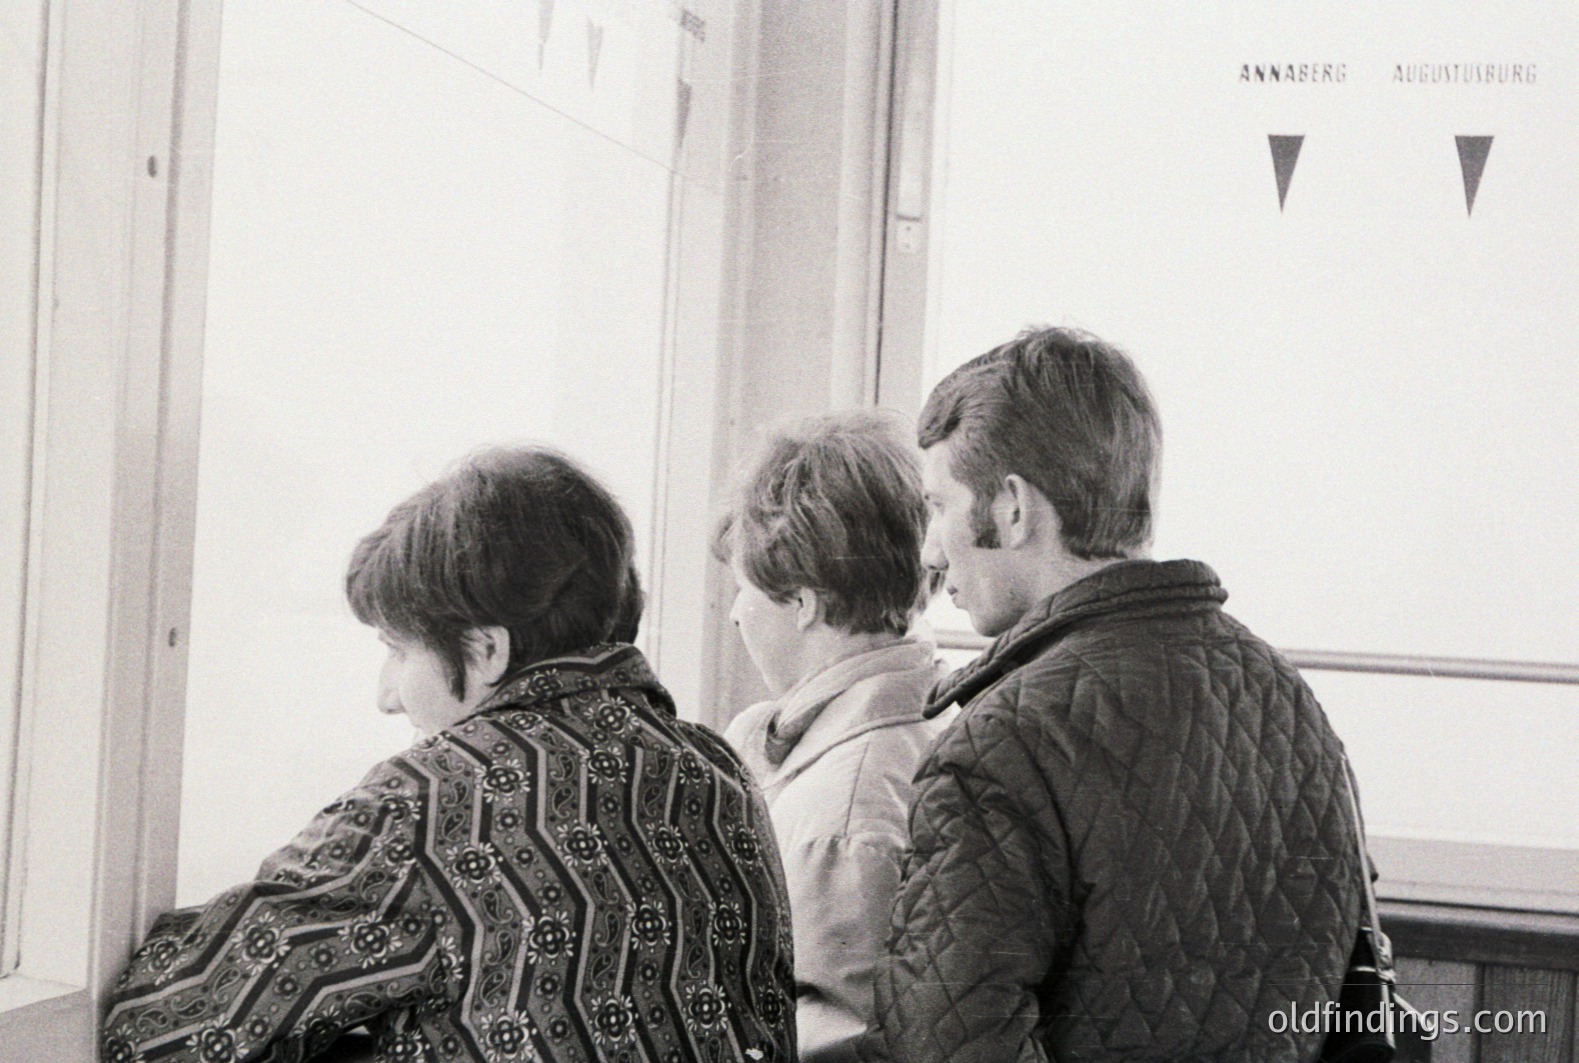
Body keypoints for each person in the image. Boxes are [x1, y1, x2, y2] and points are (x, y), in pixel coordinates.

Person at [104, 446, 796, 1063]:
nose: (386, 696)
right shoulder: (718, 767)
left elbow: (162, 1032)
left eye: (398, 651)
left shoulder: (429, 799)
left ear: (485, 649)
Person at [865, 328, 1364, 1061]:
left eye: (938, 505)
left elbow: (942, 1049)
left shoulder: (1002, 744)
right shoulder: (1287, 699)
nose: (931, 551)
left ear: (1011, 507)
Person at [716, 411, 952, 1063]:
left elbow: (834, 1044)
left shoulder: (847, 811)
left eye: (743, 588)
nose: (734, 612)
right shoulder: (928, 721)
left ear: (804, 602)